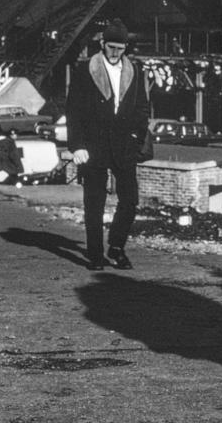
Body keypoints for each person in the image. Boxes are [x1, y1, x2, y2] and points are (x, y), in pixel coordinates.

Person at [66, 19, 149, 271]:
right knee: (94, 202)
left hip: (124, 145)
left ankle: (116, 246)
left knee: (130, 200)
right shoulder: (84, 70)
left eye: (120, 48)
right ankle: (95, 254)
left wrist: (136, 137)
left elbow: (143, 107)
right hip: (94, 145)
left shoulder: (135, 70)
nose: (115, 53)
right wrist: (77, 145)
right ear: (102, 44)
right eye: (111, 47)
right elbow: (74, 110)